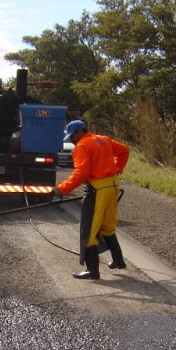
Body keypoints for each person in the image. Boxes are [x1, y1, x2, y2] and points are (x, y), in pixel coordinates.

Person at [52, 120, 129, 280]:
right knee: (108, 225)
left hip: (98, 190)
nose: (72, 140)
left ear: (79, 132)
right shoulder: (103, 139)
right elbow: (124, 150)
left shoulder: (82, 146)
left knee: (89, 230)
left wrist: (62, 189)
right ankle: (118, 260)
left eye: (72, 136)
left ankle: (92, 270)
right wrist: (117, 168)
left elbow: (82, 173)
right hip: (113, 185)